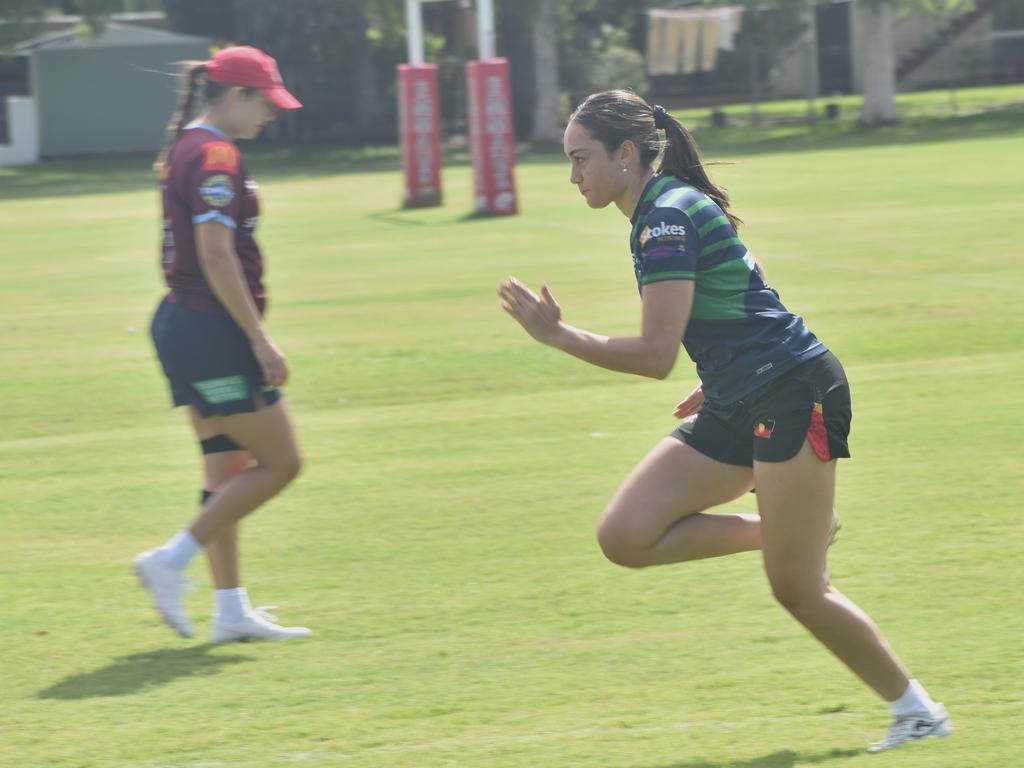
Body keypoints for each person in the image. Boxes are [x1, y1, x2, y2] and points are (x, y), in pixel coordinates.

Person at [498, 89, 950, 752]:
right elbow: (750, 280)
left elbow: (655, 356)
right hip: (738, 396)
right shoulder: (663, 208)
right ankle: (794, 529)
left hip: (792, 393)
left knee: (796, 589)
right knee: (625, 536)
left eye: (580, 159)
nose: (574, 177)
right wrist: (718, 380)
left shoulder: (665, 219)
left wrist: (558, 336)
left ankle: (919, 713)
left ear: (626, 153)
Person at [134, 46, 309, 643]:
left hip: (186, 325)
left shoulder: (189, 145)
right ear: (237, 95)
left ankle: (230, 609)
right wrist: (260, 341)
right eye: (265, 103)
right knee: (283, 462)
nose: (271, 115)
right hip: (212, 332)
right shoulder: (215, 153)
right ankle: (170, 560)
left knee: (227, 468)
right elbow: (213, 254)